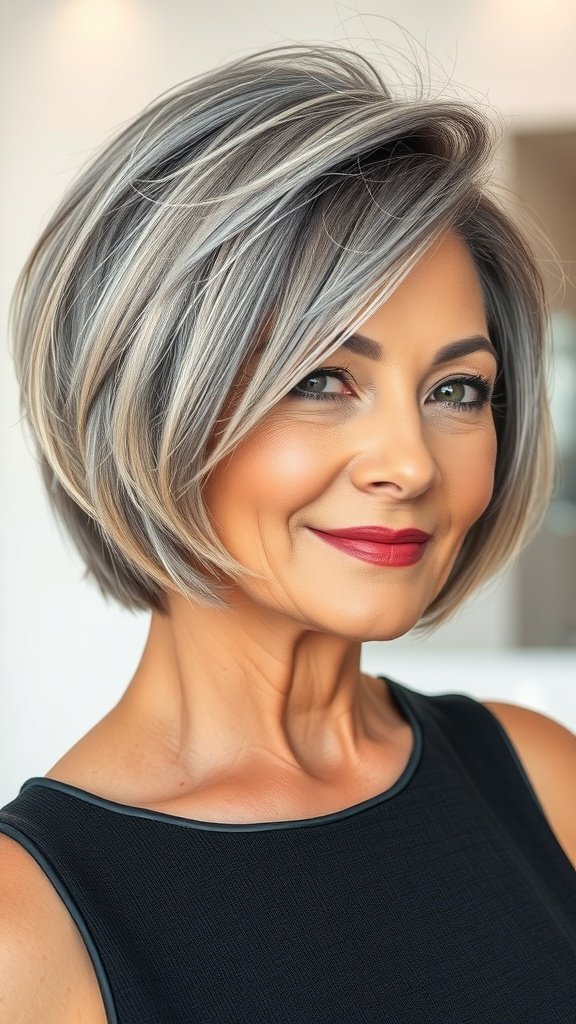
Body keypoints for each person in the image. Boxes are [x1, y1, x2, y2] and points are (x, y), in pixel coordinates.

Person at [1, 42, 575, 1024]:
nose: (410, 462)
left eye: (456, 390)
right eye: (320, 379)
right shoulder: (31, 926)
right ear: (146, 395)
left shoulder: (538, 775)